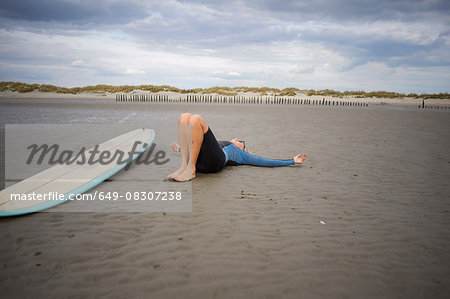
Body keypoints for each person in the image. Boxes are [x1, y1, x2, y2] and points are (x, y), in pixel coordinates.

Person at [167, 113, 307, 182]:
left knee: (196, 119)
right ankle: (184, 166)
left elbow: (264, 161)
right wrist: (179, 148)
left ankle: (190, 169)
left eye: (240, 141)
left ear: (242, 148)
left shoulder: (240, 155)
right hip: (201, 160)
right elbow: (195, 143)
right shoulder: (217, 145)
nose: (236, 139)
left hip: (214, 163)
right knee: (184, 117)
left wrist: (292, 161)